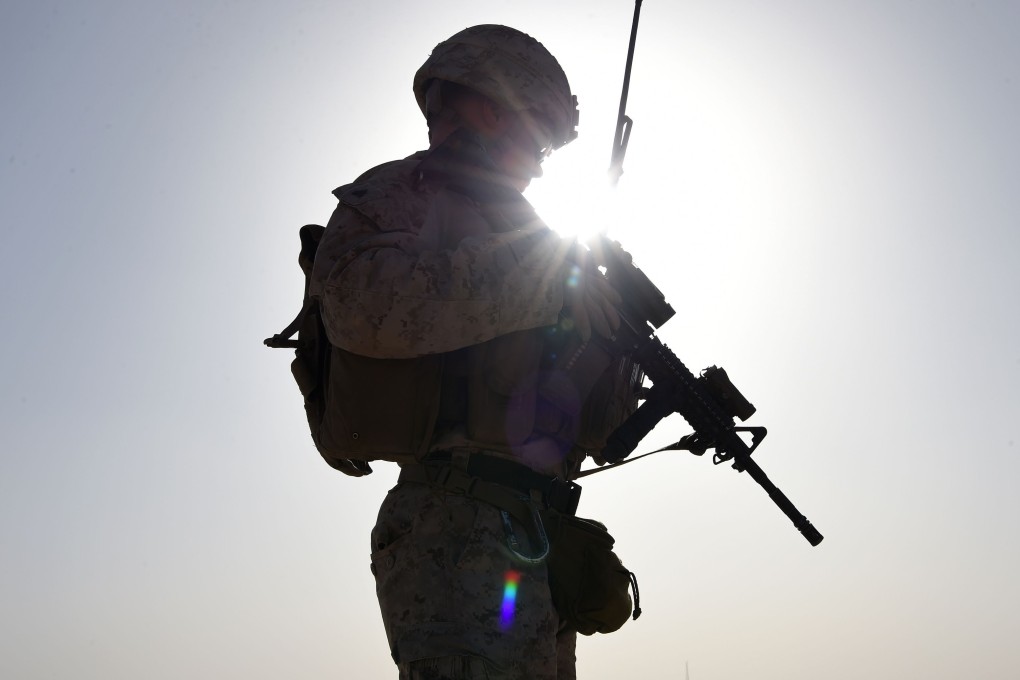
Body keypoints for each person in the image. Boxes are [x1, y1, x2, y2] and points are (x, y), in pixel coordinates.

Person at [308, 24, 637, 679]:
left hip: (534, 530)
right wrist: (538, 276)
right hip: (452, 524)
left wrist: (617, 350)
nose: (543, 154)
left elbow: (578, 420)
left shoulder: (533, 233)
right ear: (493, 107)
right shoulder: (408, 192)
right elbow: (363, 305)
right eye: (537, 130)